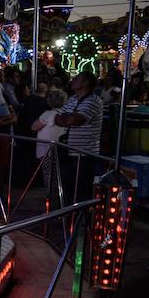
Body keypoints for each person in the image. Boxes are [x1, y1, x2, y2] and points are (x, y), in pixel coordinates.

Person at [54, 71, 103, 204]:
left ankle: (81, 219)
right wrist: (67, 117)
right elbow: (57, 118)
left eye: (77, 79)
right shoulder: (73, 99)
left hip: (84, 153)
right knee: (68, 188)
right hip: (68, 150)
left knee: (82, 189)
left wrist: (68, 117)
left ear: (86, 83)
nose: (73, 80)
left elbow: (75, 120)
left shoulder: (93, 100)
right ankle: (69, 218)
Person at [32, 89, 68, 206]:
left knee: (50, 178)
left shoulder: (48, 114)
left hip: (46, 151)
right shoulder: (66, 113)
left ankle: (52, 204)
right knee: (58, 178)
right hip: (61, 150)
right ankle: (58, 203)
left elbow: (34, 127)